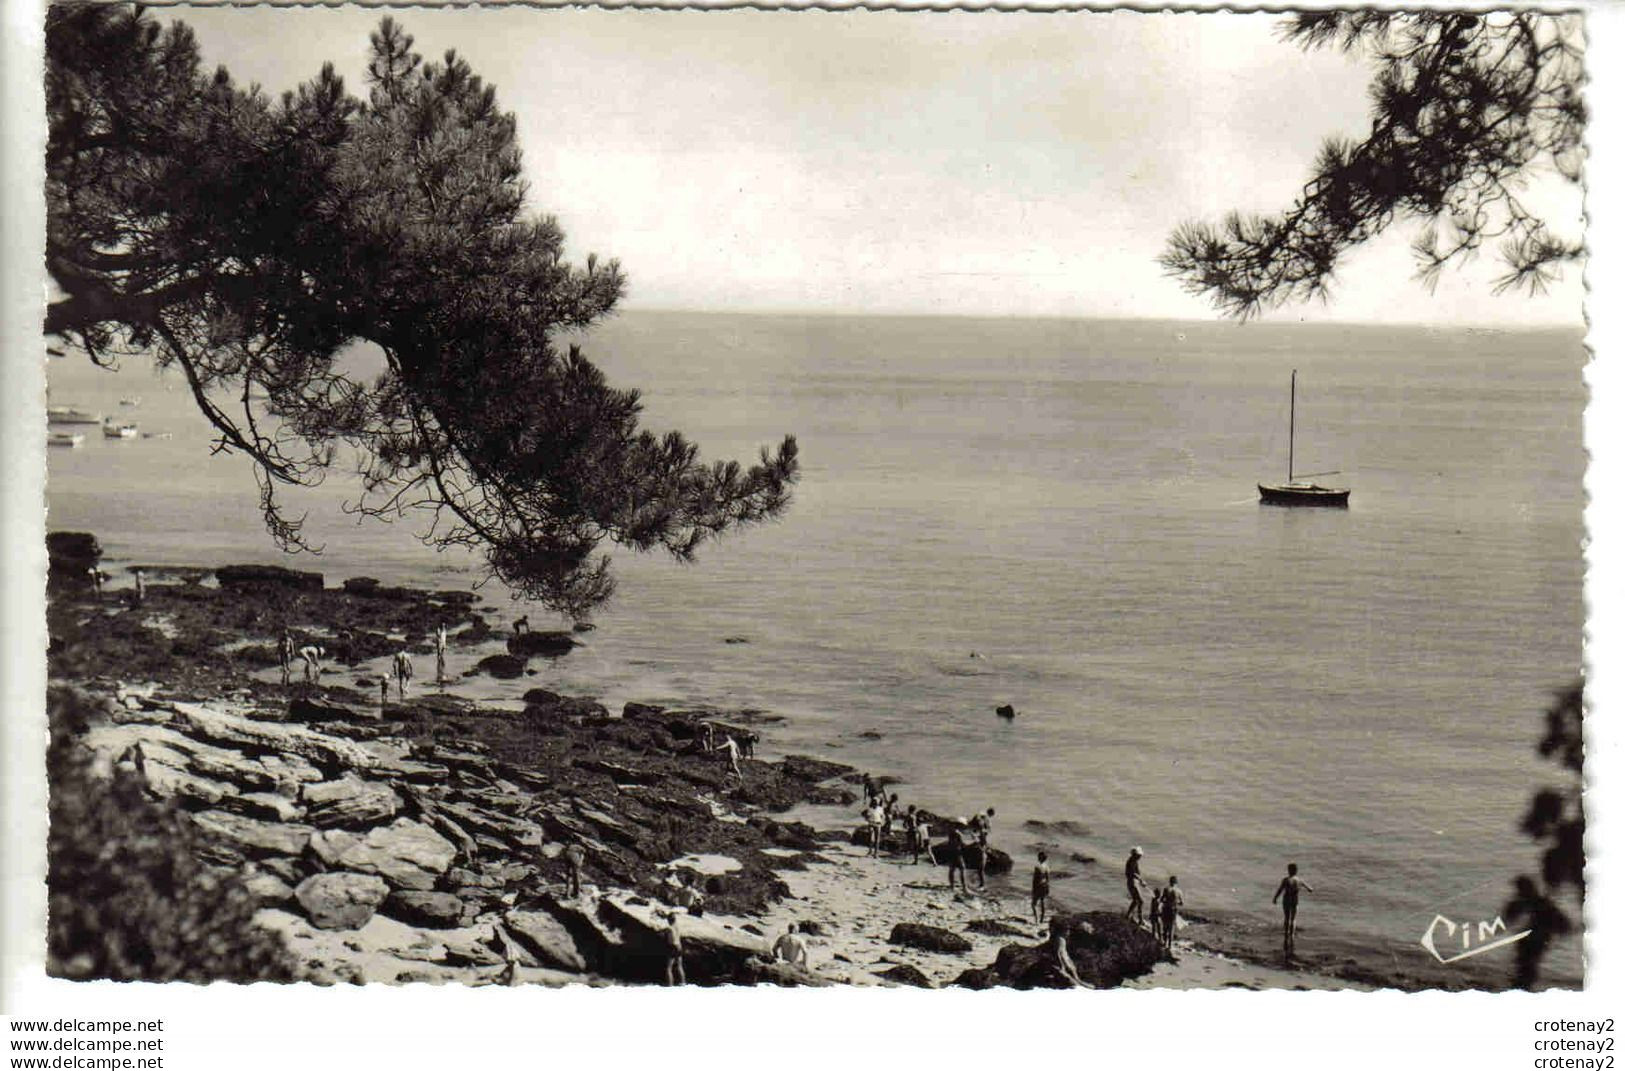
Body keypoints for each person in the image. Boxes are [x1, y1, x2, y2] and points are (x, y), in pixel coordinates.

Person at [1272, 862, 1315, 960]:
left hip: (1286, 899)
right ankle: (1292, 935)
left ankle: (1286, 934)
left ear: (1289, 870)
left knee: (1286, 917)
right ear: (1296, 870)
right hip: (1295, 900)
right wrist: (1306, 888)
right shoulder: (1299, 880)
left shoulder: (1286, 880)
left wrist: (1275, 898)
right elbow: (1310, 889)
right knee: (1294, 918)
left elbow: (1280, 890)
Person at [1048, 918, 1084, 986]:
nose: (1068, 933)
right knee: (1071, 968)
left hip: (1065, 956)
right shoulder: (1059, 939)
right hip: (1063, 957)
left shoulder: (1062, 939)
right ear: (1062, 931)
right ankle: (1076, 980)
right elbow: (1058, 952)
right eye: (1067, 931)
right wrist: (1061, 964)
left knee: (1073, 968)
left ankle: (1077, 979)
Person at [972, 808, 995, 889]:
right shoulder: (985, 828)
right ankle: (981, 884)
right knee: (980, 868)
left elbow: (982, 838)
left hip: (982, 849)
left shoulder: (983, 830)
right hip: (982, 848)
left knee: (980, 868)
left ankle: (982, 885)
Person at [1124, 846, 1148, 925]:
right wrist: (1141, 880)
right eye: (1139, 855)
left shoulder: (1132, 861)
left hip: (1133, 882)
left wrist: (1140, 881)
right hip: (1133, 882)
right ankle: (1140, 919)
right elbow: (1134, 873)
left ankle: (1128, 915)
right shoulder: (1132, 861)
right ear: (1136, 855)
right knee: (1141, 901)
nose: (1140, 856)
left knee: (1135, 900)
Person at [1159, 876, 1183, 955]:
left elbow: (1162, 900)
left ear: (1170, 882)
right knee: (1171, 927)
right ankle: (1169, 945)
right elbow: (1181, 903)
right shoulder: (1179, 891)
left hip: (1166, 909)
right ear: (1176, 882)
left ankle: (1164, 943)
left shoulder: (1166, 889)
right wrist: (1176, 902)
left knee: (1165, 926)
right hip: (1173, 910)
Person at [662, 910, 685, 986]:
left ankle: (670, 984)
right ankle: (682, 982)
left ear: (669, 920)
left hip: (672, 947)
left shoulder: (669, 928)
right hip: (679, 946)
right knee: (679, 966)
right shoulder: (677, 927)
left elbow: (663, 933)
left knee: (669, 968)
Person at [945, 825, 969, 893]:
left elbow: (949, 843)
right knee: (962, 869)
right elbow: (962, 844)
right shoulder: (958, 834)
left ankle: (952, 886)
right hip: (958, 853)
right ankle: (964, 887)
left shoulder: (950, 833)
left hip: (951, 853)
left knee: (952, 870)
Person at [1031, 850, 1051, 924]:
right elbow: (1048, 879)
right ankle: (1041, 919)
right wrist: (1048, 887)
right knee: (1042, 903)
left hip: (1038, 886)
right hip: (1045, 886)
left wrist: (1033, 889)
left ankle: (1036, 919)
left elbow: (1035, 879)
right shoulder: (1047, 867)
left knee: (1033, 904)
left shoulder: (1037, 867)